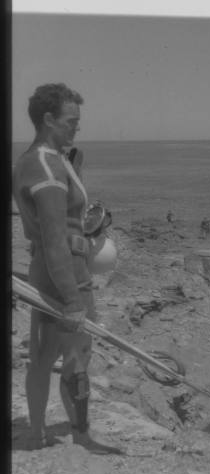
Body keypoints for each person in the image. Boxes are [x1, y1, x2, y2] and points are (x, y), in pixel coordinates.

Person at [12, 83, 121, 454]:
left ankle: (40, 434)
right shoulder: (46, 165)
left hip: (49, 266)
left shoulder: (39, 159)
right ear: (48, 119)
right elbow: (56, 239)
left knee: (45, 357)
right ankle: (79, 435)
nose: (77, 127)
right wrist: (74, 300)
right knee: (74, 355)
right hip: (65, 273)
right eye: (70, 121)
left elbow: (54, 229)